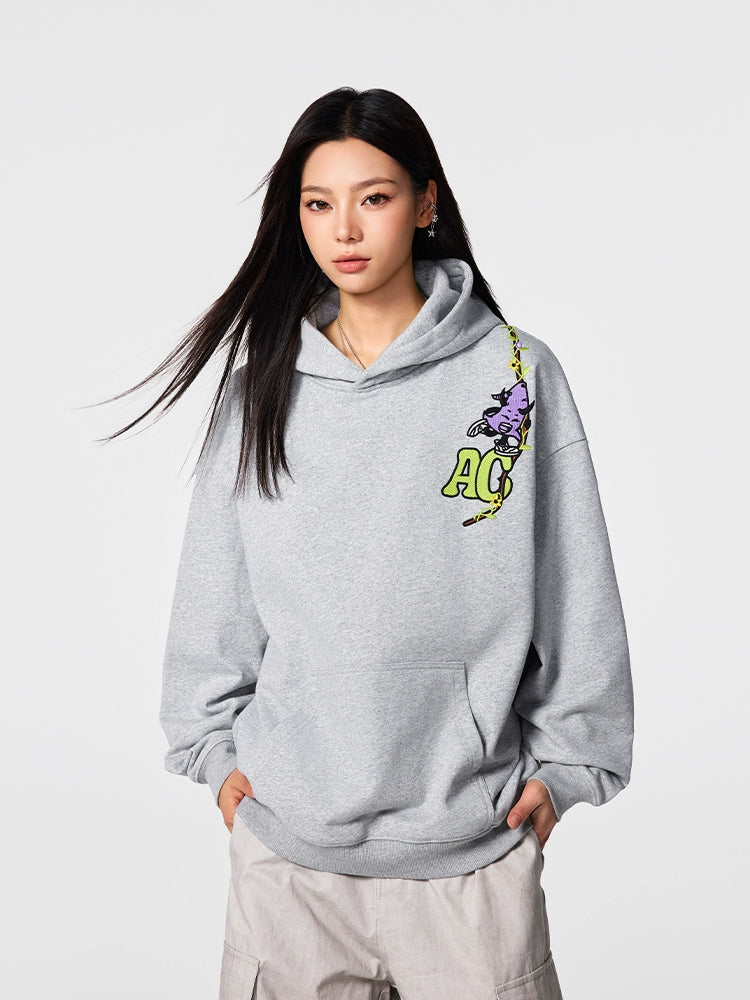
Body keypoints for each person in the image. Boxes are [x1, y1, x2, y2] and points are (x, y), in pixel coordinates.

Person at [102, 87, 634, 1000]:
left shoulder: (514, 377)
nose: (344, 228)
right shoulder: (262, 390)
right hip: (289, 866)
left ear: (426, 204)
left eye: (374, 197)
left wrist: (568, 769)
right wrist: (218, 758)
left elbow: (574, 582)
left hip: (472, 860)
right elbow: (216, 598)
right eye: (319, 203)